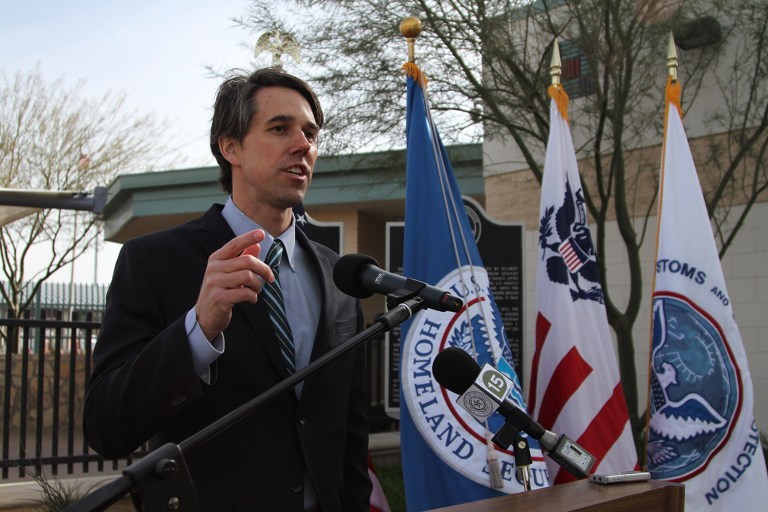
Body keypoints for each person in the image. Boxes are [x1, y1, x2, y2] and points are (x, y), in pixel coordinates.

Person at [83, 67, 372, 511]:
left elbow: (350, 438)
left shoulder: (340, 281)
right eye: (280, 128)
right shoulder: (153, 262)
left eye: (311, 133)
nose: (303, 146)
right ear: (230, 146)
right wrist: (196, 332)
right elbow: (106, 426)